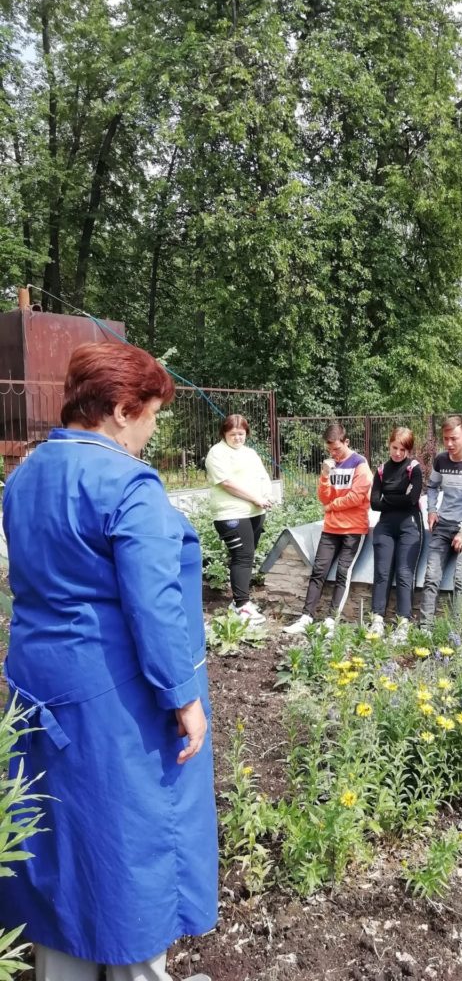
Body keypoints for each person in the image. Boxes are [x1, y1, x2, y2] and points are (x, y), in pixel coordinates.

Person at [1, 342, 216, 981]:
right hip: (115, 696)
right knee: (132, 840)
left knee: (57, 840)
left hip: (36, 682)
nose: (151, 431)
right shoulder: (128, 483)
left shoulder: (23, 477)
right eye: (151, 414)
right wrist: (183, 697)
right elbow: (155, 607)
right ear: (122, 411)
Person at [283, 423, 372, 636]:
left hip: (353, 528)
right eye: (330, 450)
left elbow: (357, 497)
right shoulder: (331, 465)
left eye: (337, 449)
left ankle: (332, 620)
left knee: (343, 572)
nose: (334, 454)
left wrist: (332, 506)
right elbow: (323, 496)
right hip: (331, 527)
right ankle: (306, 617)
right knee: (318, 571)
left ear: (346, 442)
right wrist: (324, 475)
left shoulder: (360, 464)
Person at [419, 416, 462, 632]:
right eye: (445, 439)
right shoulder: (441, 460)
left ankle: (457, 632)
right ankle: (425, 629)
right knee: (431, 577)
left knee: (461, 580)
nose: (449, 444)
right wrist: (431, 510)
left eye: (454, 439)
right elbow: (432, 487)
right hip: (442, 526)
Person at [205, 413, 272, 624]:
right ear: (224, 433)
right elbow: (227, 483)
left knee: (246, 556)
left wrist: (266, 495)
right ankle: (241, 606)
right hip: (231, 514)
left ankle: (239, 600)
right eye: (233, 434)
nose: (237, 438)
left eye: (241, 434)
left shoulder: (250, 453)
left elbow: (263, 476)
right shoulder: (217, 453)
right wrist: (255, 498)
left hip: (255, 512)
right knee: (242, 556)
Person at [368, 427, 424, 643]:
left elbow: (412, 499)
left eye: (403, 449)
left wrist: (387, 500)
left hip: (409, 526)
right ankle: (377, 619)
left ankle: (403, 622)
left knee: (403, 573)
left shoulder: (414, 468)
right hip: (385, 527)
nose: (398, 453)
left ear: (409, 450)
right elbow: (373, 503)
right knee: (382, 573)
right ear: (389, 444)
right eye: (394, 448)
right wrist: (399, 496)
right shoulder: (382, 470)